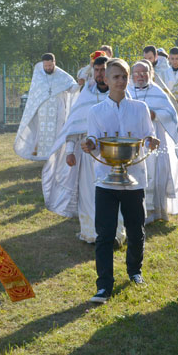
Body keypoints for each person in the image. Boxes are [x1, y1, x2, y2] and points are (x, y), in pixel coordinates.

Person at [82, 58, 159, 303]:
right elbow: (94, 138)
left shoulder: (140, 108)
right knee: (105, 234)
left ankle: (135, 271)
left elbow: (148, 135)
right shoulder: (95, 111)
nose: (121, 81)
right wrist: (89, 144)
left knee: (136, 229)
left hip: (134, 179)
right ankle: (104, 285)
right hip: (105, 180)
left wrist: (151, 141)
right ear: (105, 79)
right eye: (116, 77)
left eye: (124, 76)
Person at [43, 55, 125, 244]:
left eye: (103, 70)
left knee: (115, 192)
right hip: (88, 155)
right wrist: (70, 151)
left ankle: (115, 234)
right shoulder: (86, 94)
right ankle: (92, 233)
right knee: (88, 194)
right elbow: (74, 125)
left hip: (113, 154)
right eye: (97, 70)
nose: (100, 74)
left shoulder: (120, 94)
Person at [128, 61, 178, 222]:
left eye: (144, 73)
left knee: (156, 172)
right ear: (132, 75)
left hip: (155, 139)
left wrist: (155, 115)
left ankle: (155, 211)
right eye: (137, 73)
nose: (140, 76)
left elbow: (171, 114)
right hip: (133, 140)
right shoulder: (127, 91)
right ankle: (135, 210)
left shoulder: (157, 92)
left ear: (150, 74)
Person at [14, 53, 78, 161]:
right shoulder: (39, 76)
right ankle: (44, 156)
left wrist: (79, 84)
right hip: (43, 113)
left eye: (50, 65)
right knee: (43, 134)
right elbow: (35, 94)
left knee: (58, 132)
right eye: (46, 66)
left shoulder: (62, 75)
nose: (48, 68)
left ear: (54, 63)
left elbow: (72, 88)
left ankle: (57, 156)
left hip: (58, 111)